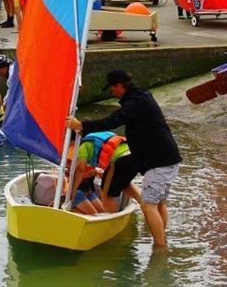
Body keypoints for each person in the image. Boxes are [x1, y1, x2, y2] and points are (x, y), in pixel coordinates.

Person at [65, 70, 182, 247]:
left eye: (112, 88)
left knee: (149, 206)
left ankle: (160, 248)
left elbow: (114, 120)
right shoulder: (141, 96)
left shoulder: (136, 101)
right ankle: (161, 239)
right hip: (167, 157)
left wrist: (82, 125)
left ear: (119, 86)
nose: (112, 92)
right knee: (159, 203)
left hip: (159, 161)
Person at [68, 131, 141, 214]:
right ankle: (144, 202)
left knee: (106, 194)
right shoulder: (101, 135)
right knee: (123, 183)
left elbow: (80, 170)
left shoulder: (84, 145)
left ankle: (112, 223)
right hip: (136, 156)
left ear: (74, 141)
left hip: (120, 159)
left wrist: (73, 190)